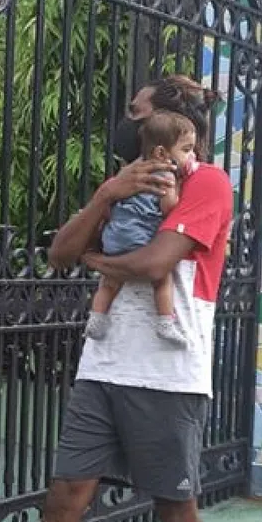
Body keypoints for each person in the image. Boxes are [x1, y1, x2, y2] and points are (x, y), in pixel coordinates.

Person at [35, 75, 231, 522]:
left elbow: (155, 264)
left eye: (135, 113)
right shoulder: (125, 182)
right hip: (102, 366)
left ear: (168, 121)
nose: (126, 123)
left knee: (175, 509)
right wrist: (106, 194)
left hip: (167, 373)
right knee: (63, 499)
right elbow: (59, 255)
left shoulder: (207, 182)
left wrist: (98, 262)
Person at [86, 110, 200, 345]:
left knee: (109, 283)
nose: (192, 155)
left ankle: (96, 318)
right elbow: (169, 207)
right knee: (162, 279)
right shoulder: (166, 175)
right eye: (186, 149)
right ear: (161, 153)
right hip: (139, 237)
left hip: (114, 236)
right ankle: (165, 322)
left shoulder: (129, 173)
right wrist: (180, 189)